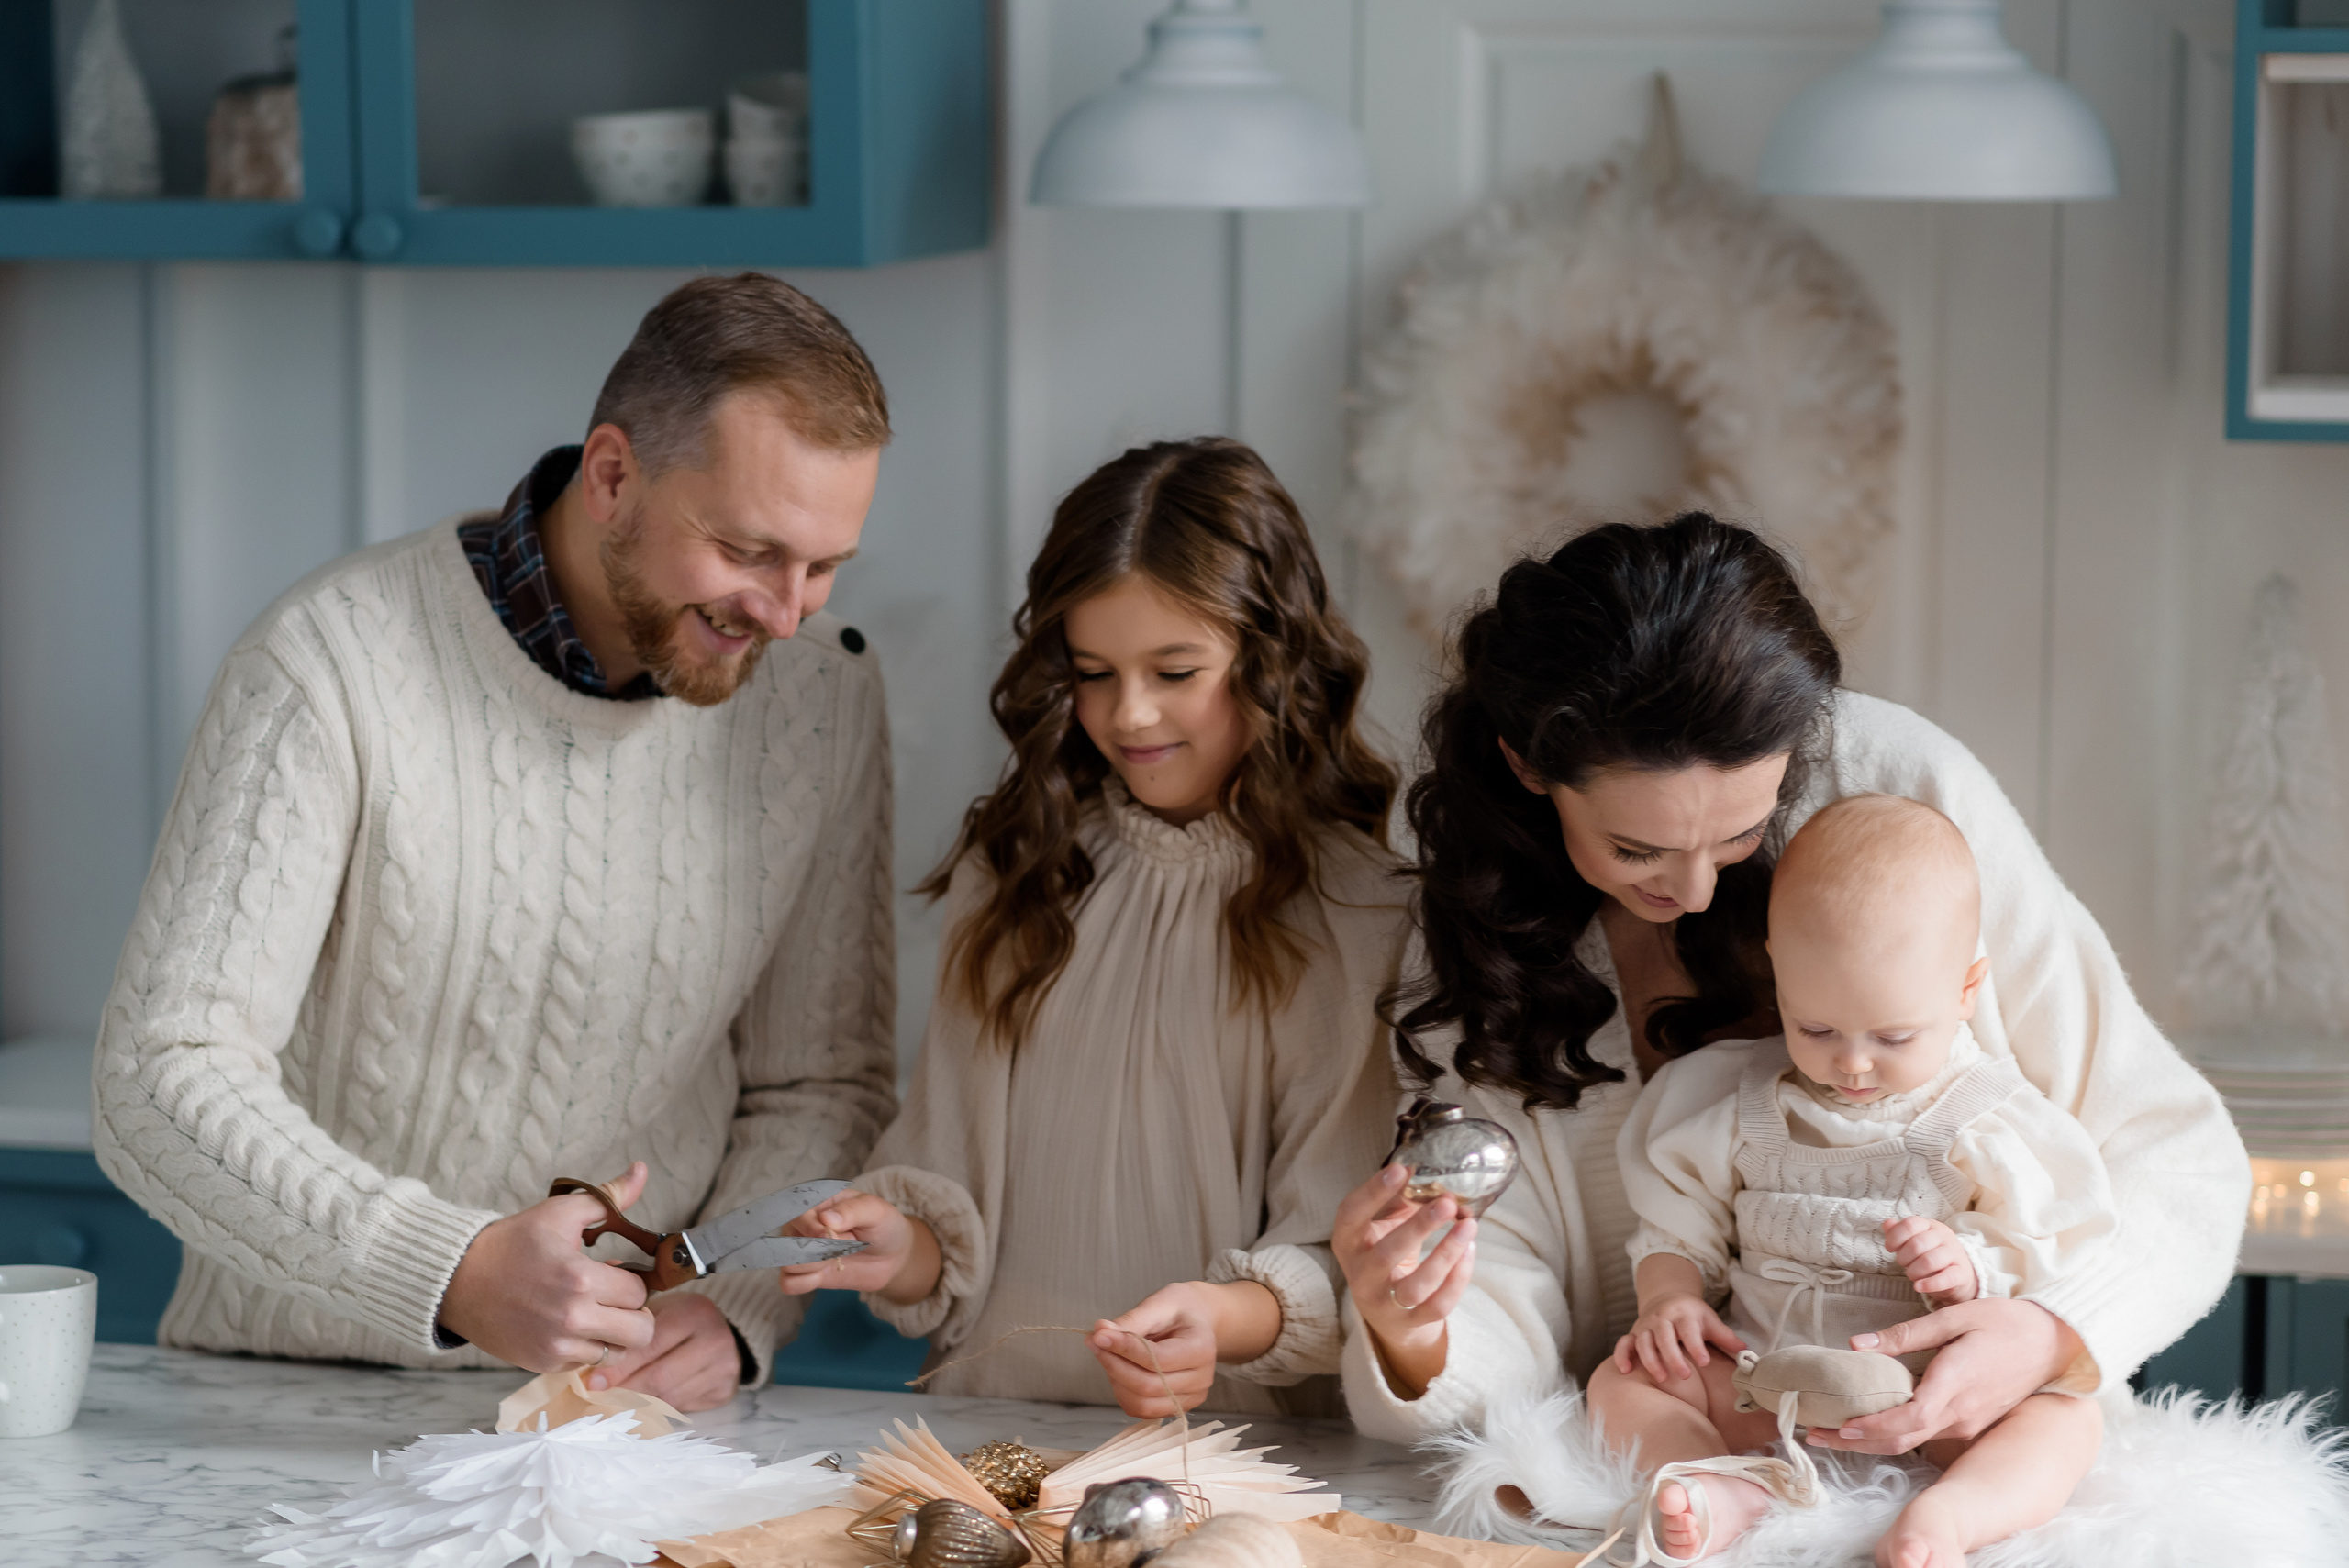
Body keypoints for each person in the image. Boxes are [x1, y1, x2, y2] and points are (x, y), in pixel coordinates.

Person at [91, 274, 898, 1412]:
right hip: (285, 1392)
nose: (786, 612)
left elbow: (821, 1077)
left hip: (625, 1415)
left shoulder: (821, 695)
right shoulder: (329, 664)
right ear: (613, 473)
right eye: (747, 551)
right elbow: (158, 1078)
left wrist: (734, 1302)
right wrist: (450, 1268)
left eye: (824, 567)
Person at [1331, 515, 2245, 1468]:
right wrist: (1413, 1333)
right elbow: (1499, 1316)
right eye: (1634, 849)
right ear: (1528, 764)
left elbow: (2176, 1157)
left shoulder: (1900, 792)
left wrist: (2049, 1329)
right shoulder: (1483, 919)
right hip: (1677, 1452)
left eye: (1737, 834)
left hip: (1971, 1444)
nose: (1690, 893)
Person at [778, 439, 1409, 1415]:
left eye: (1175, 668)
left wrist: (1221, 1317)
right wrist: (898, 1248)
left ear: (1272, 660)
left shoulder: (1351, 911)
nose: (1131, 712)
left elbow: (1339, 1260)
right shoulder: (1019, 871)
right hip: (992, 1433)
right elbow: (946, 1201)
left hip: (1226, 1461)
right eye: (1093, 670)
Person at [1592, 795, 2111, 1568]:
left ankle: (1949, 1518)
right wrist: (1670, 1298)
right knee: (1623, 1377)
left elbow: (2058, 1246)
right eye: (1818, 1028)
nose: (1854, 1062)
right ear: (1778, 971)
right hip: (1763, 1383)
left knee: (2067, 1415)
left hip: (1927, 1399)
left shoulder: (1991, 1119)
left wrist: (1972, 1265)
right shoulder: (1730, 1100)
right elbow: (1674, 1225)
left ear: (1966, 990)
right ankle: (1723, 1481)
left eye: (1895, 1036)